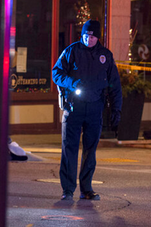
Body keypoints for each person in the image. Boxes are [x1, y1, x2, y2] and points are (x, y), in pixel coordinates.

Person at [52, 19, 122, 201]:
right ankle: (67, 190)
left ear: (97, 37)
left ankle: (86, 189)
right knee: (70, 149)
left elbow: (115, 85)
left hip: (95, 108)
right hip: (73, 107)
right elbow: (56, 73)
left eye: (91, 36)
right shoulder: (72, 51)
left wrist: (116, 110)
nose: (88, 39)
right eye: (85, 35)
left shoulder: (105, 56)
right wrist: (72, 83)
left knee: (90, 150)